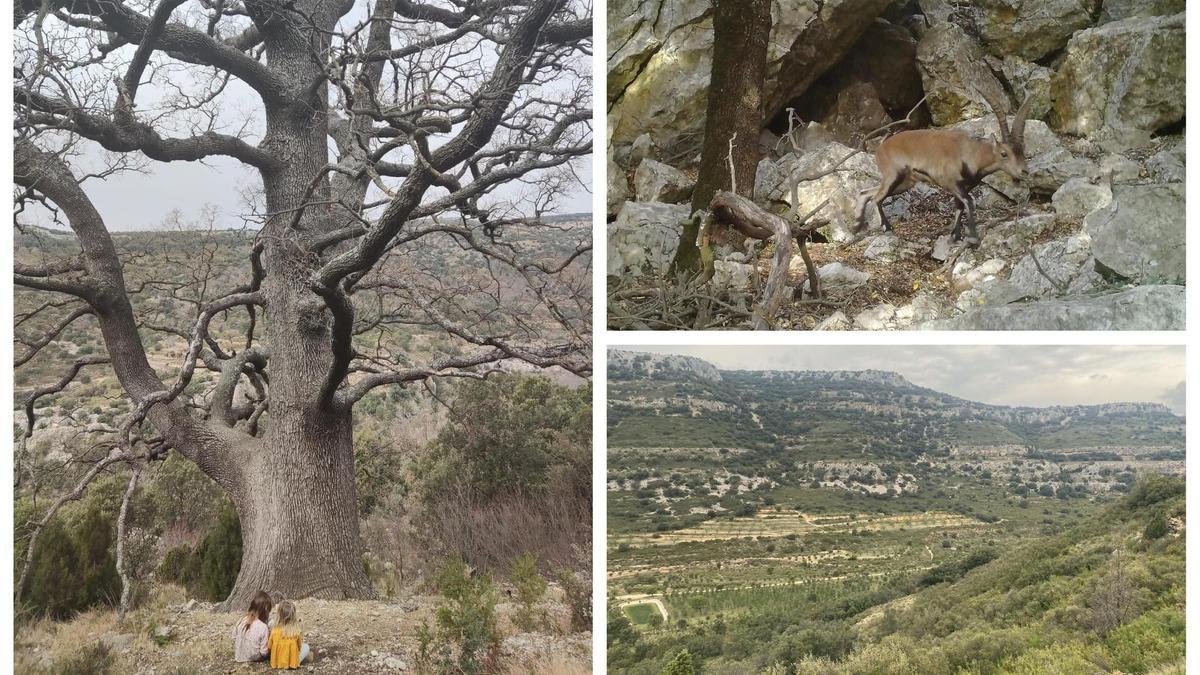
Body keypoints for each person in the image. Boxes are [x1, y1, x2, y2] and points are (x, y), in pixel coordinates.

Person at [231, 591, 273, 663]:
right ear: (265, 610)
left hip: (238, 656)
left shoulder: (241, 619)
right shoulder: (263, 627)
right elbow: (264, 652)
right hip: (253, 658)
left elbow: (234, 637)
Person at [268, 600, 312, 668]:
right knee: (306, 647)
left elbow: (269, 646)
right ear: (293, 616)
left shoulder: (274, 631)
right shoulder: (296, 631)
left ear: (278, 615)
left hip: (276, 662)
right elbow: (299, 647)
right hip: (292, 662)